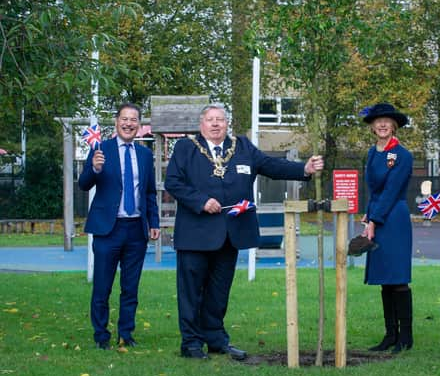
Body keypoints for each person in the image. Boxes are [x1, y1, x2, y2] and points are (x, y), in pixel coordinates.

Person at [164, 104, 324, 360]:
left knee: (219, 292)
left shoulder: (242, 146)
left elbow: (269, 165)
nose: (216, 124)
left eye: (221, 119)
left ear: (227, 123)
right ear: (201, 124)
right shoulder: (185, 148)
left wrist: (303, 170)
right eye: (210, 120)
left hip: (230, 234)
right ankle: (192, 344)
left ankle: (216, 340)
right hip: (196, 234)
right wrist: (201, 201)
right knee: (191, 292)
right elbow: (173, 182)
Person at [78, 103, 160, 350]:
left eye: (133, 119)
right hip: (107, 229)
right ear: (116, 122)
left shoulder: (145, 154)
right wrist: (95, 168)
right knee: (102, 287)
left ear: (139, 125)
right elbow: (83, 184)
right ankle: (101, 336)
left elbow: (149, 192)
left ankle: (126, 333)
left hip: (136, 230)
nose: (128, 123)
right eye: (124, 119)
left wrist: (153, 222)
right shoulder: (101, 148)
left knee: (130, 288)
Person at [360, 102, 414, 353]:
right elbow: (374, 190)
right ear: (372, 126)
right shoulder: (372, 153)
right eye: (377, 120)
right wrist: (368, 216)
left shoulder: (403, 155)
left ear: (393, 125)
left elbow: (391, 191)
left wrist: (374, 219)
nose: (382, 124)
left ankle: (406, 337)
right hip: (378, 216)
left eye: (387, 121)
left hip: (394, 218)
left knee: (397, 278)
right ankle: (390, 335)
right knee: (384, 279)